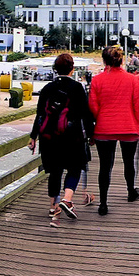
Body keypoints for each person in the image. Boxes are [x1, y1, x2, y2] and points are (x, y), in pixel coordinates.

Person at [88, 46, 139, 215]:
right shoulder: (133, 80)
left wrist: (101, 118)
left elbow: (93, 107)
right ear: (121, 60)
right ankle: (131, 191)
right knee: (129, 161)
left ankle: (103, 203)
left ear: (104, 61)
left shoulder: (96, 80)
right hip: (128, 127)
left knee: (105, 166)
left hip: (104, 128)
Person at [31, 53, 96, 227]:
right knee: (74, 168)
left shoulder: (46, 88)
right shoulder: (77, 88)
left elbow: (40, 115)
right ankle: (67, 200)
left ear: (55, 69)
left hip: (49, 138)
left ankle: (53, 206)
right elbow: (85, 113)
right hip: (71, 136)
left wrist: (33, 137)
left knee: (55, 171)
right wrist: (91, 134)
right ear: (72, 68)